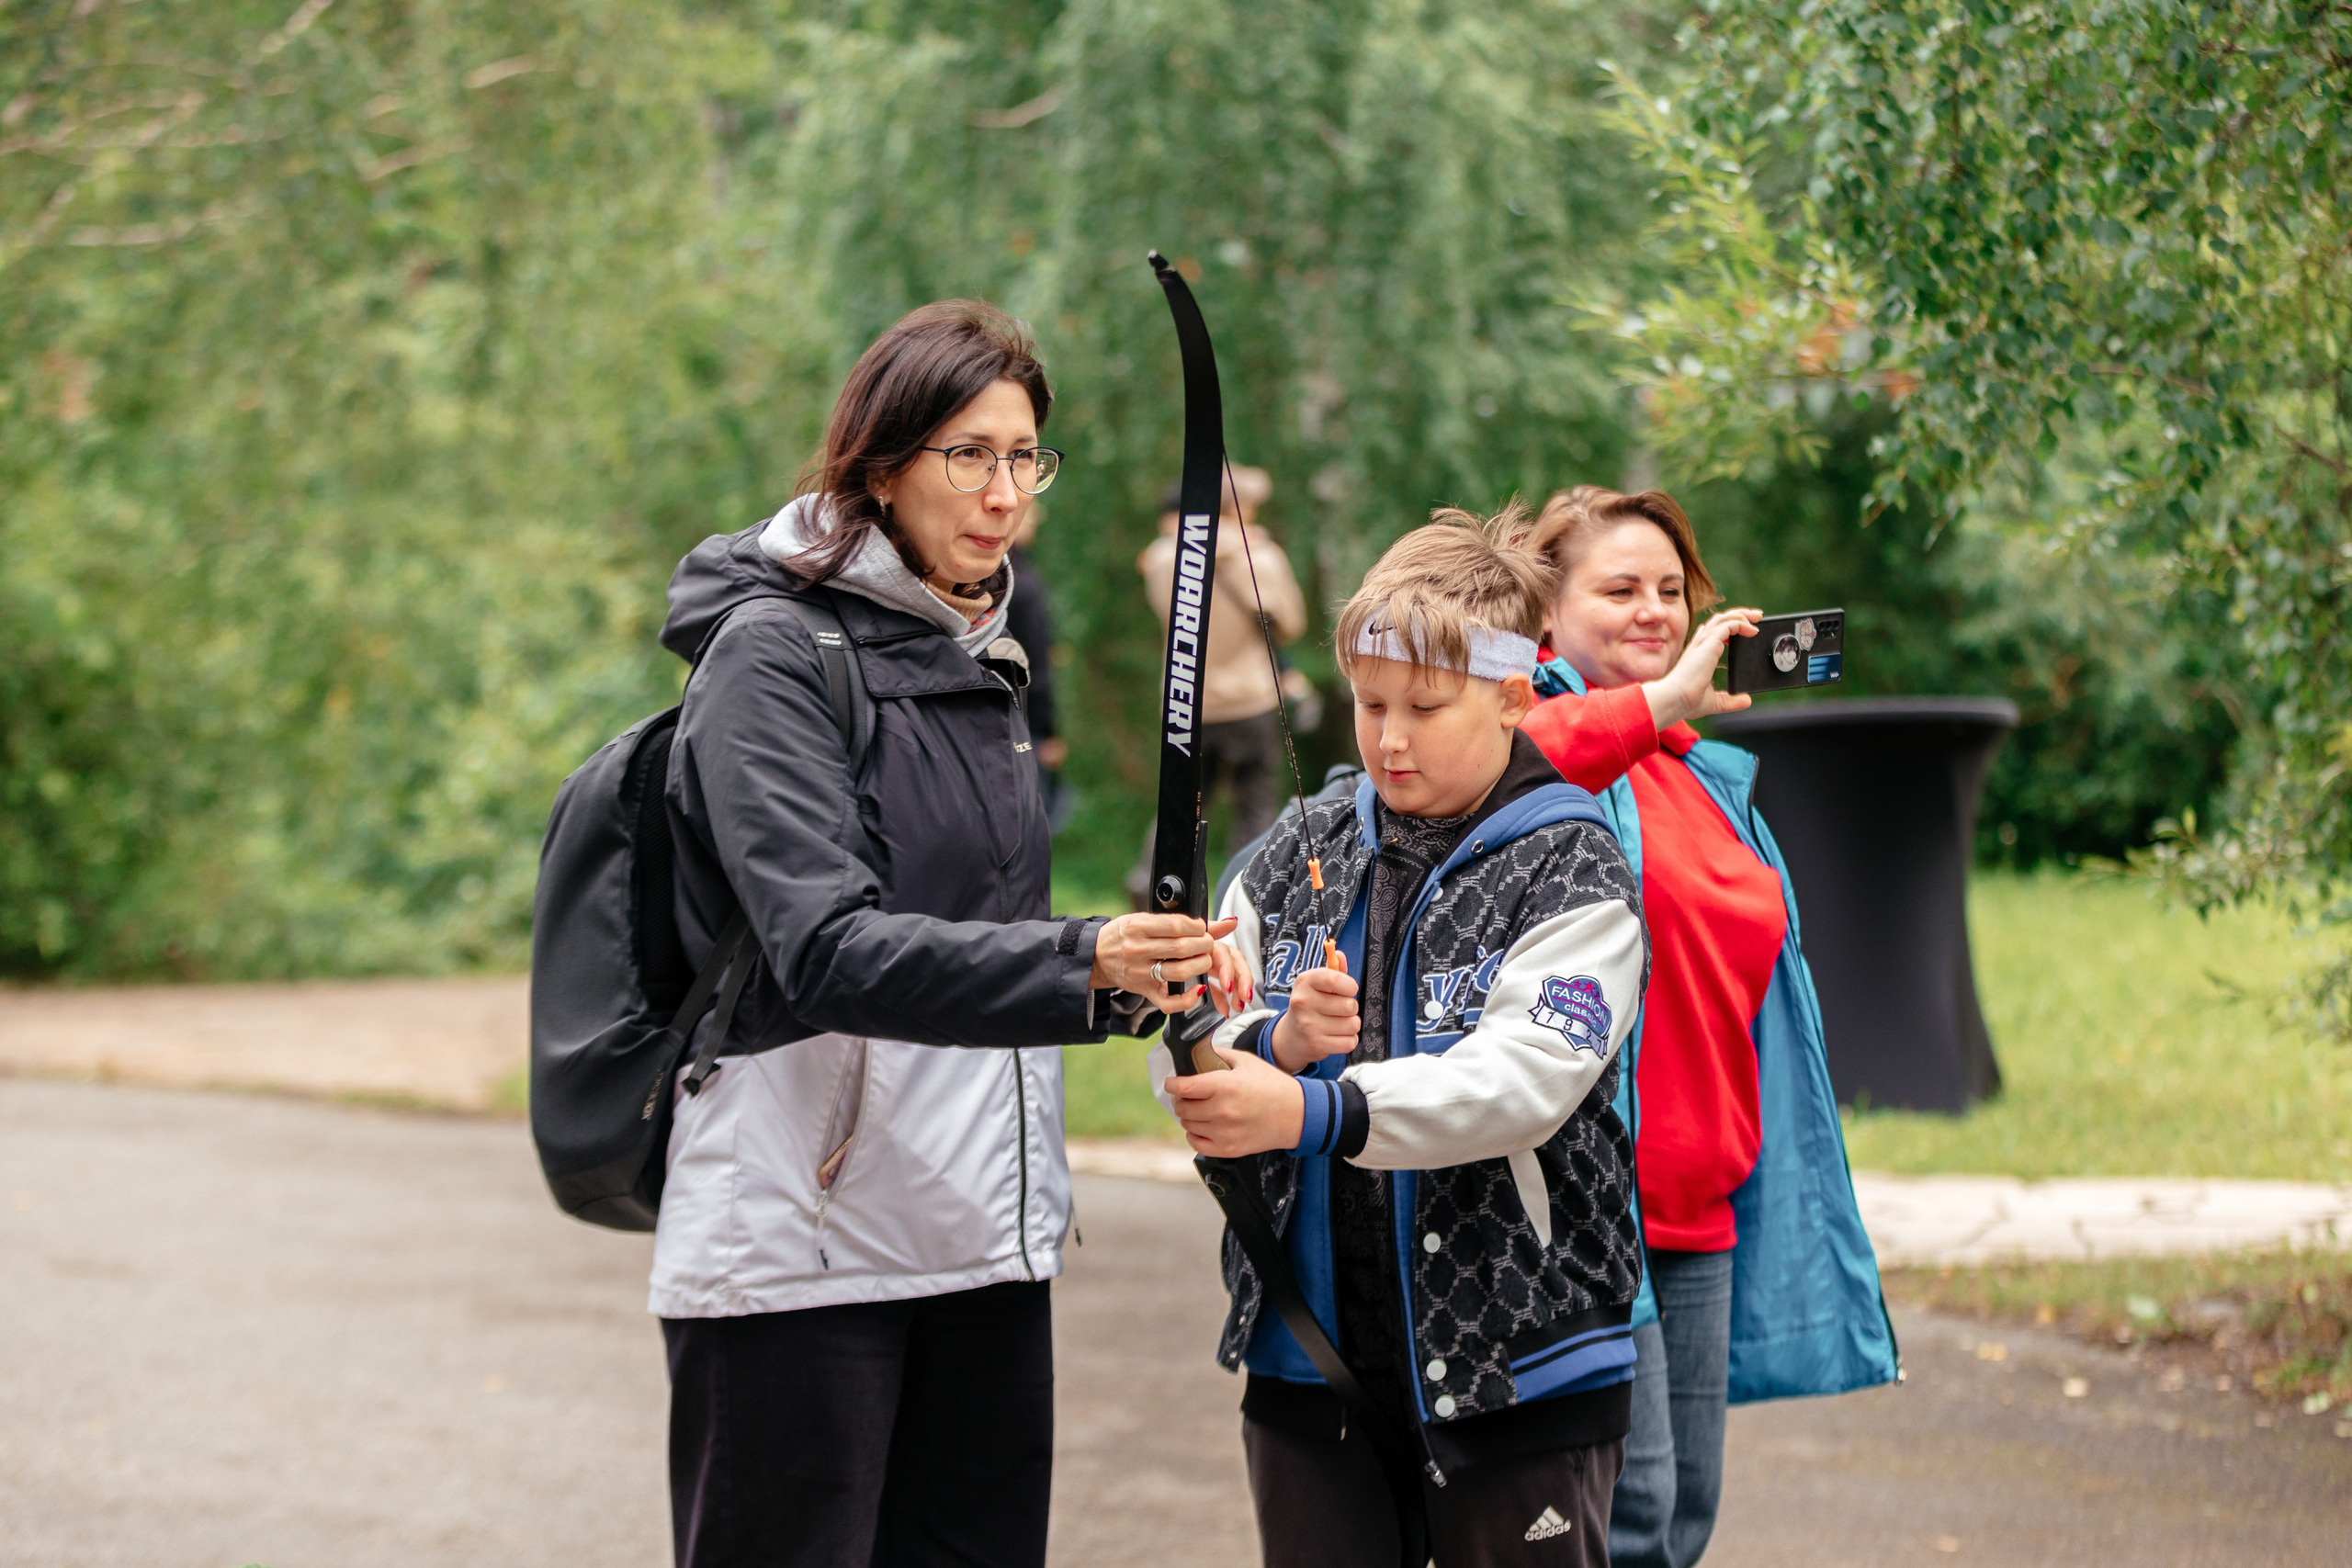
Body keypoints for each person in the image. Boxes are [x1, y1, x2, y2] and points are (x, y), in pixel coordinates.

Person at [652, 299, 1246, 1568]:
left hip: (983, 1236)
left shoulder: (980, 648)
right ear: (879, 465)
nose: (1004, 490)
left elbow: (988, 935)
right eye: (967, 453)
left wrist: (1140, 978)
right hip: (800, 1247)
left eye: (1025, 454)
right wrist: (1080, 957)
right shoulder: (771, 655)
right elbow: (826, 947)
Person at [1159, 505, 1649, 1568]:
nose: (1386, 736)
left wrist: (1312, 1105)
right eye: (1368, 702)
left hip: (1517, 1372)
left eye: (1425, 706)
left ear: (1516, 698)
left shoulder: (1570, 868)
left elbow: (1525, 1079)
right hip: (1308, 1371)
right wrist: (1273, 1045)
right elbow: (1197, 1038)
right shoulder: (1296, 850)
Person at [1515, 486, 1897, 1568]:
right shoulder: (1527, 741)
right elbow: (1520, 764)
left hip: (1702, 1204)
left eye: (1670, 591)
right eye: (1618, 588)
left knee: (1682, 1515)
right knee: (1620, 1520)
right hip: (1591, 1208)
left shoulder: (1700, 774)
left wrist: (1665, 714)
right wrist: (1648, 706)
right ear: (1546, 614)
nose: (1652, 611)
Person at [1129, 464, 1306, 903]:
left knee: (1181, 807)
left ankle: (1149, 883)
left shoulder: (1163, 556)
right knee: (1255, 806)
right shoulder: (1261, 558)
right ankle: (1249, 895)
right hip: (1251, 701)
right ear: (1238, 507)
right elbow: (1291, 625)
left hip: (1187, 704)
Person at [1001, 507, 1069, 829]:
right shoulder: (1023, 584)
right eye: (1028, 519)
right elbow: (1036, 666)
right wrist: (1049, 732)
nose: (1032, 527)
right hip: (1024, 721)